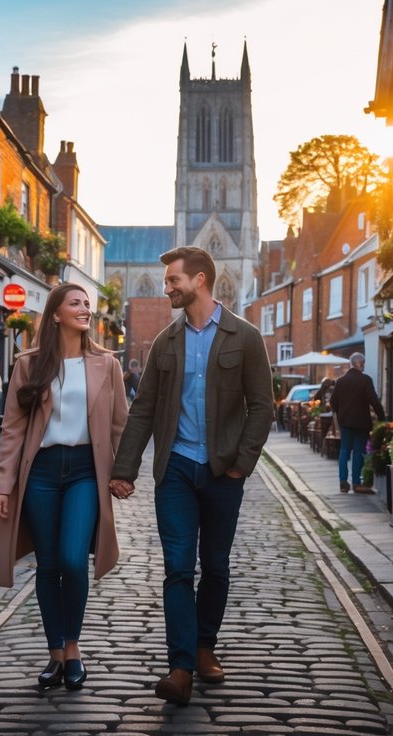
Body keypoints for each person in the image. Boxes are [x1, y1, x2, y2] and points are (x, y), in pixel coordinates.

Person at [109, 246, 273, 706]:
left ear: (199, 280)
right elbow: (142, 410)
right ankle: (180, 667)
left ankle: (205, 649)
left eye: (173, 280)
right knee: (178, 568)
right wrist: (126, 469)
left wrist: (242, 461)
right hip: (177, 468)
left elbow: (262, 406)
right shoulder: (166, 342)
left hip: (223, 470)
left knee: (215, 566)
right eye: (165, 281)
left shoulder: (246, 337)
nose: (166, 287)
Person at [0, 283, 129, 693]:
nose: (86, 309)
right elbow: (12, 429)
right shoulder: (30, 365)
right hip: (42, 473)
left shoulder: (107, 364)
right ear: (55, 314)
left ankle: (74, 647)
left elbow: (120, 423)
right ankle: (56, 654)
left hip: (86, 470)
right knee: (48, 565)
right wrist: (3, 484)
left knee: (72, 559)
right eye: (76, 303)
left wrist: (124, 471)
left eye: (88, 304)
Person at [329, 352, 385, 494]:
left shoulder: (340, 381)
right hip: (361, 422)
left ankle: (343, 482)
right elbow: (374, 400)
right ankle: (356, 483)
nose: (364, 366)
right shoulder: (365, 380)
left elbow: (332, 402)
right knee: (358, 452)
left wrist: (340, 413)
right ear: (359, 364)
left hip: (345, 422)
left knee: (344, 450)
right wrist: (382, 417)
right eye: (363, 363)